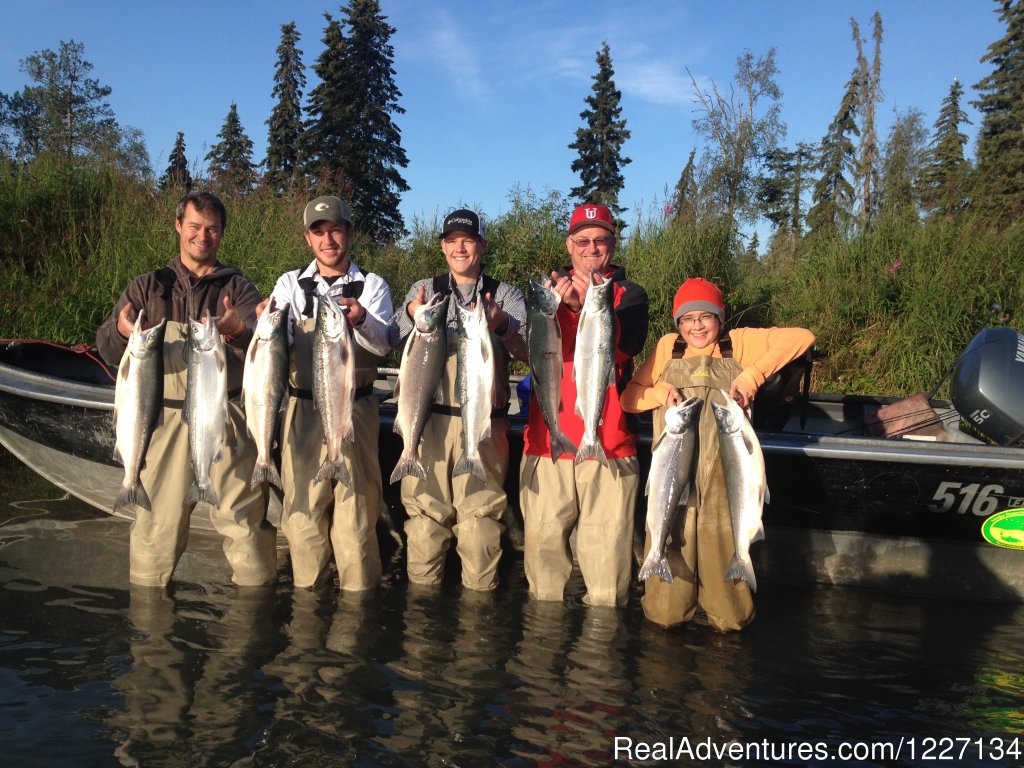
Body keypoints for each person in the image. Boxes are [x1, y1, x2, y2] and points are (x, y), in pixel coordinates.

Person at [96, 191, 277, 588]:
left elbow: (262, 351)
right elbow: (106, 348)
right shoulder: (147, 287)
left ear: (222, 234)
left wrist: (239, 330)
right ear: (179, 226)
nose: (202, 236)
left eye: (212, 229)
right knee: (154, 536)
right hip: (157, 421)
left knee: (245, 530)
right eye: (194, 227)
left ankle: (252, 628)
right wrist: (123, 333)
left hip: (224, 418)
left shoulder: (239, 288)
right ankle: (150, 634)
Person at [620, 277, 815, 631]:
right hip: (673, 487)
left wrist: (752, 377)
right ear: (678, 323)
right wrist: (659, 392)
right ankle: (665, 633)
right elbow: (629, 398)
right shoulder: (668, 347)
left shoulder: (738, 343)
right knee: (666, 603)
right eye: (687, 318)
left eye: (705, 316)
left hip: (725, 485)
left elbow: (803, 338)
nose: (697, 326)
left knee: (729, 605)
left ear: (719, 319)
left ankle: (726, 645)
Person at [519, 203, 650, 607]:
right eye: (583, 240)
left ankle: (600, 659)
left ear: (612, 244)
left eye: (601, 239)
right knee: (543, 569)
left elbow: (626, 346)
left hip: (608, 445)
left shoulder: (630, 295)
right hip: (548, 445)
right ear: (569, 244)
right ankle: (540, 656)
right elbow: (532, 350)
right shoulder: (546, 293)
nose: (592, 248)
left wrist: (582, 307)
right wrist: (555, 308)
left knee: (607, 573)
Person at [392, 208, 528, 591]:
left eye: (467, 240)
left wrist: (501, 325)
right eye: (452, 241)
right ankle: (421, 614)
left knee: (480, 527)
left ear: (481, 245)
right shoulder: (424, 290)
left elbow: (529, 353)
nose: (460, 247)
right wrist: (410, 313)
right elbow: (391, 340)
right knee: (423, 525)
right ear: (442, 247)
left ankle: (478, 618)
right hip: (426, 422)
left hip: (484, 425)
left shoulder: (506, 295)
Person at [263, 195, 394, 590]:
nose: (328, 239)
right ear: (308, 238)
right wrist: (266, 325)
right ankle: (307, 608)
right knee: (302, 519)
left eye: (335, 229)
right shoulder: (289, 284)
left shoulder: (372, 285)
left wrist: (361, 320)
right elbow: (280, 340)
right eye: (318, 232)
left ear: (348, 233)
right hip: (302, 412)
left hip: (356, 409)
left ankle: (355, 614)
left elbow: (384, 344)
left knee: (356, 520)